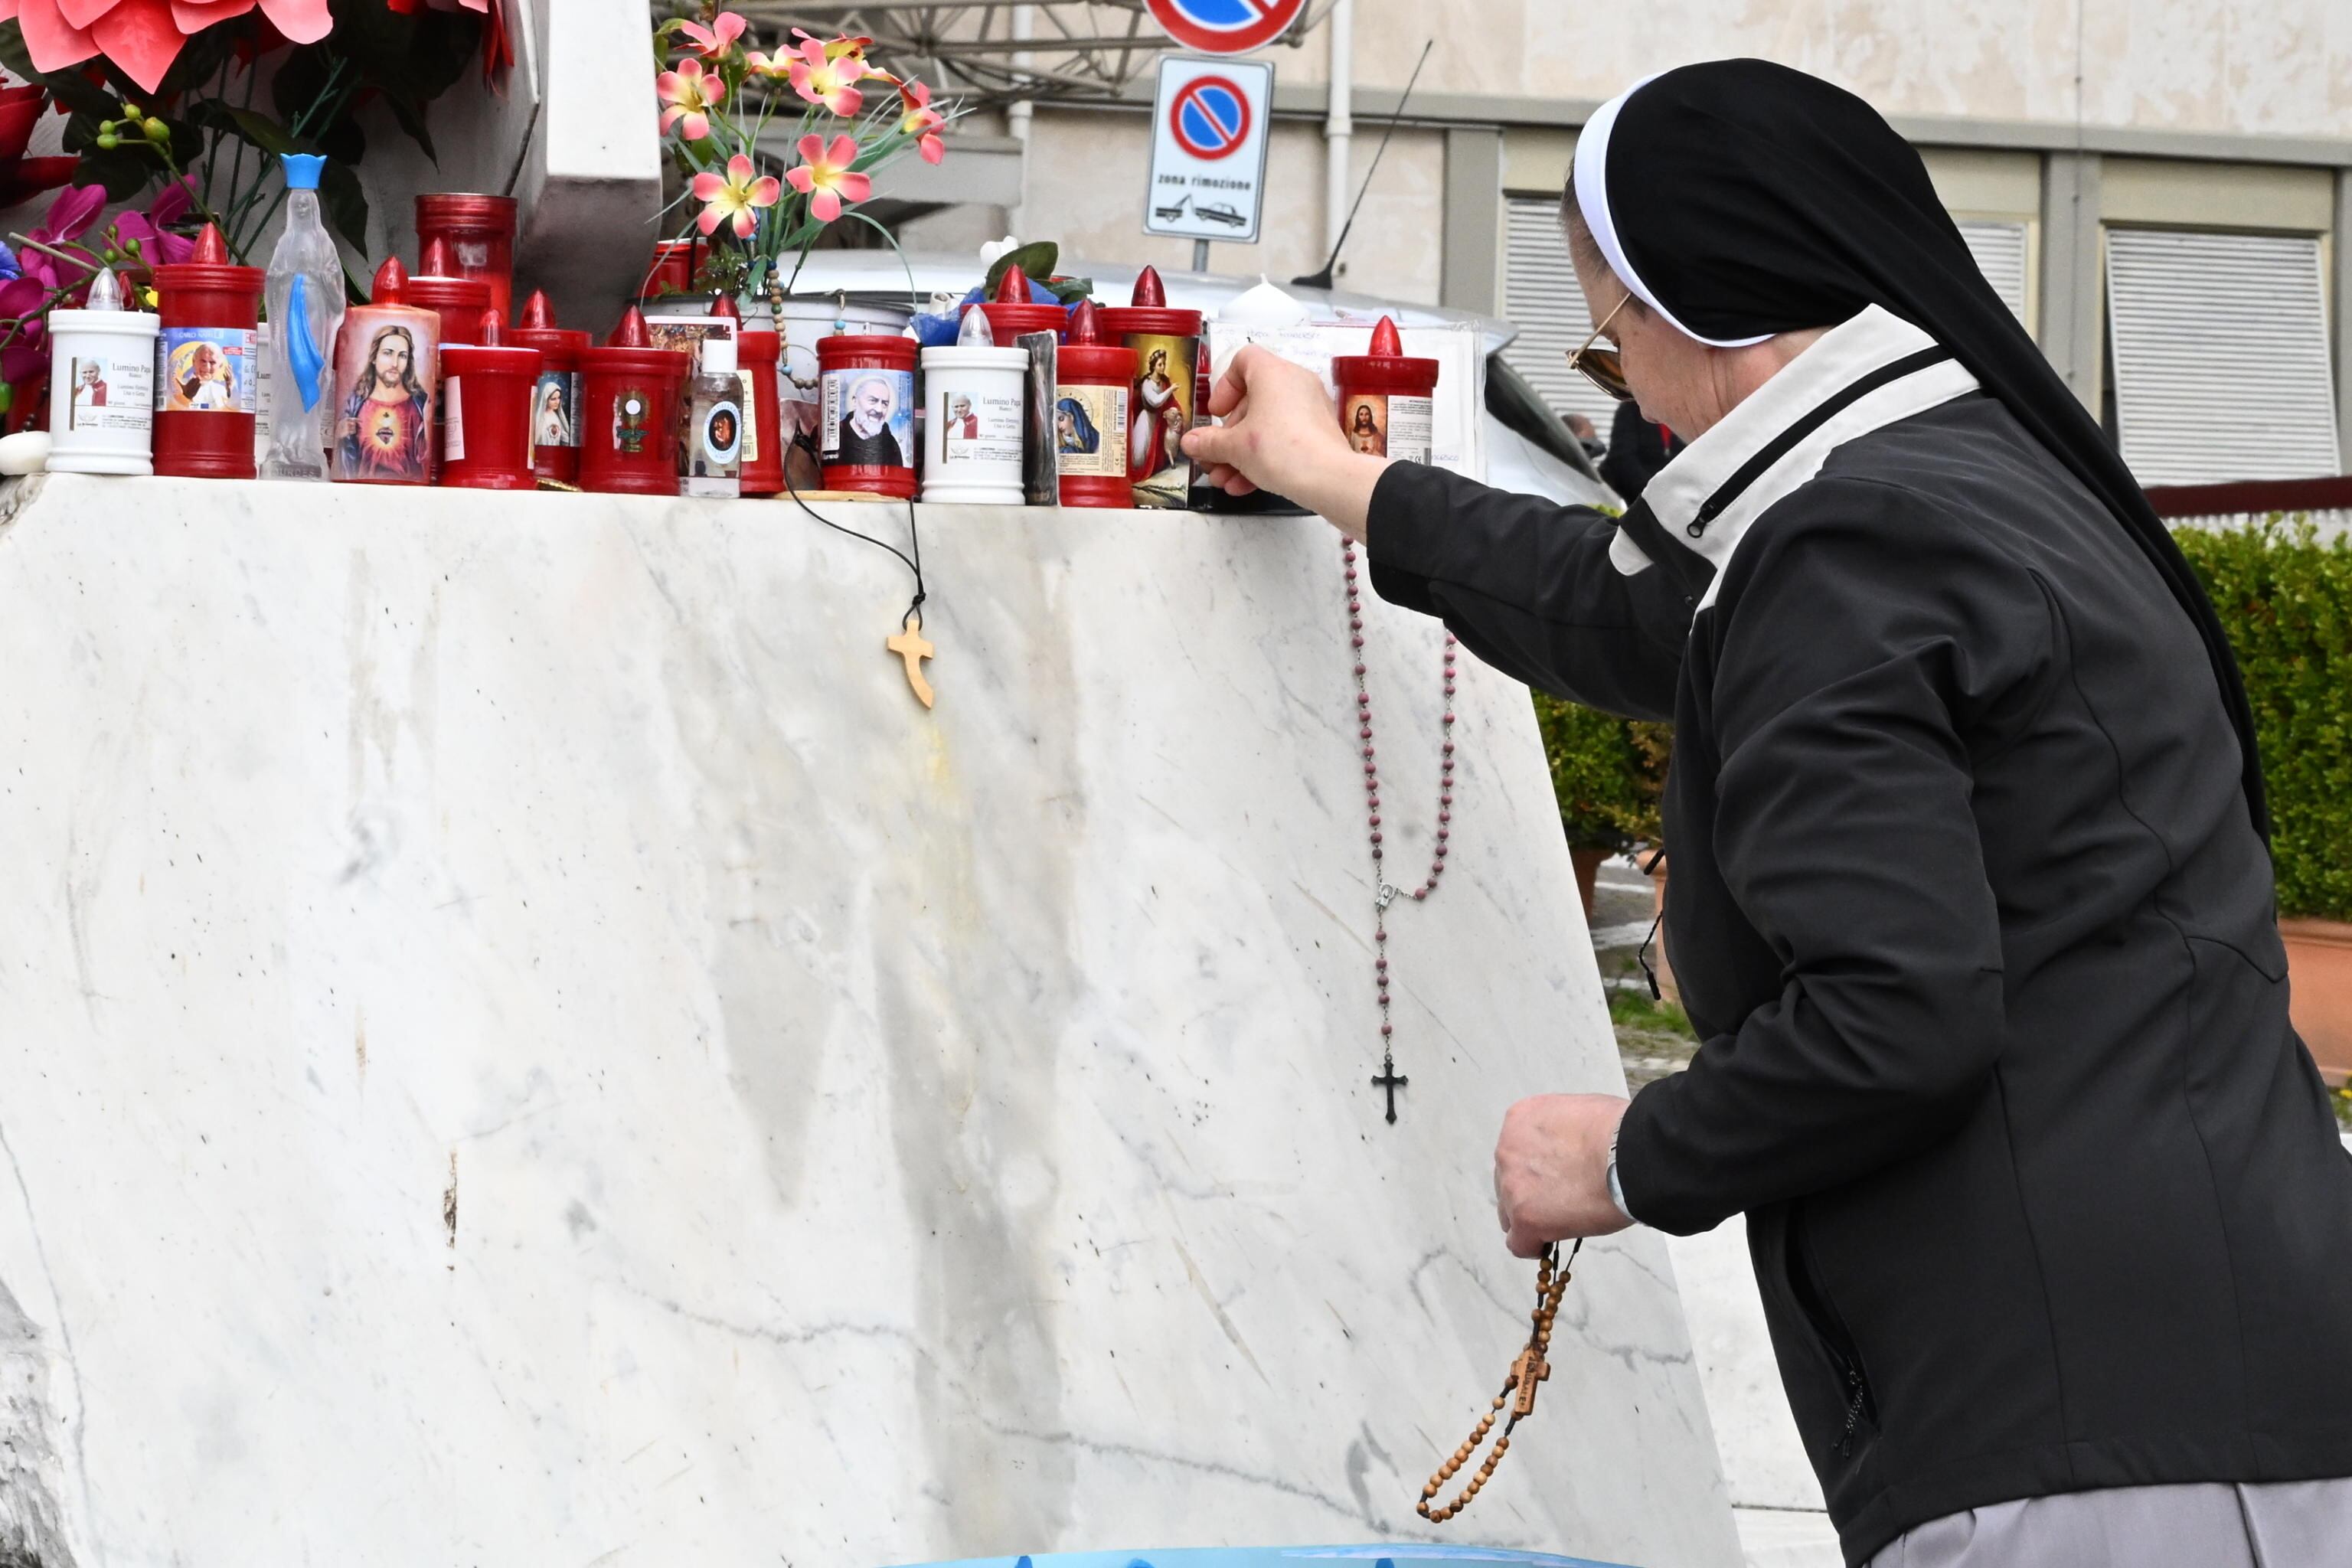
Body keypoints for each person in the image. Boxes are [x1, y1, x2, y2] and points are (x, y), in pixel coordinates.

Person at [1184, 58, 2352, 1568]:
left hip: (2072, 1433)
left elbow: (1899, 1015)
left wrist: (1620, 1155)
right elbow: (1631, 614)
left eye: (1610, 358)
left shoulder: (1848, 543)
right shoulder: (1984, 483)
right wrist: (1336, 477)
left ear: (1702, 314)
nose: (1632, 408)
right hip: (2260, 1379)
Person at [337, 324, 429, 482]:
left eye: (402, 356)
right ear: (374, 357)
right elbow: (344, 461)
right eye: (388, 353)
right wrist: (340, 435)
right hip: (359, 492)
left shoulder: (420, 404)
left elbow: (424, 458)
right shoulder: (355, 404)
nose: (395, 363)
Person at [1596, 397, 1681, 501]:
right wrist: (1654, 492)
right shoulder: (1631, 409)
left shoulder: (1685, 412)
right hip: (1639, 497)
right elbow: (1622, 458)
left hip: (1678, 496)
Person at [1130, 347, 1184, 479]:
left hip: (1158, 420)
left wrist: (1175, 411)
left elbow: (1170, 402)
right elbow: (1155, 401)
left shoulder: (1164, 382)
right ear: (1154, 366)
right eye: (1160, 364)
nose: (1163, 367)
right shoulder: (1147, 383)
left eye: (1164, 364)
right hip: (1147, 419)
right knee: (1140, 454)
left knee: (1158, 456)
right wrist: (1171, 389)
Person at [835, 374, 903, 466]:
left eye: (884, 404)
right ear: (855, 401)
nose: (879, 409)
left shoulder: (890, 444)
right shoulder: (836, 437)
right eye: (873, 400)